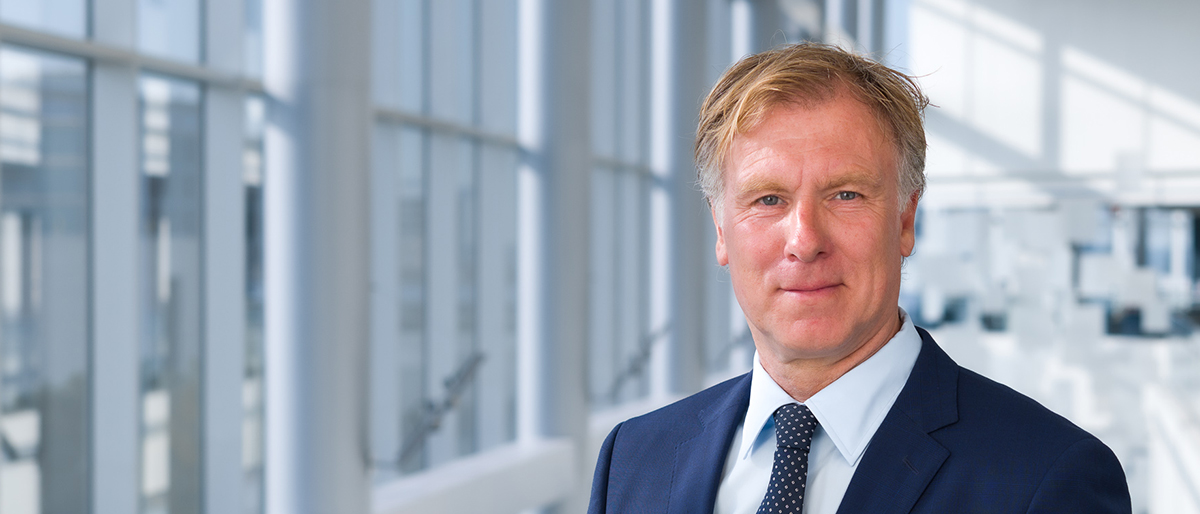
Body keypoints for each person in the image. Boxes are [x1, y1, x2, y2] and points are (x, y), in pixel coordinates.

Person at [587, 43, 1131, 514]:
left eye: (846, 195)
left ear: (904, 219)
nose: (804, 240)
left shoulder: (1046, 479)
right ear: (721, 227)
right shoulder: (634, 461)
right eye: (767, 199)